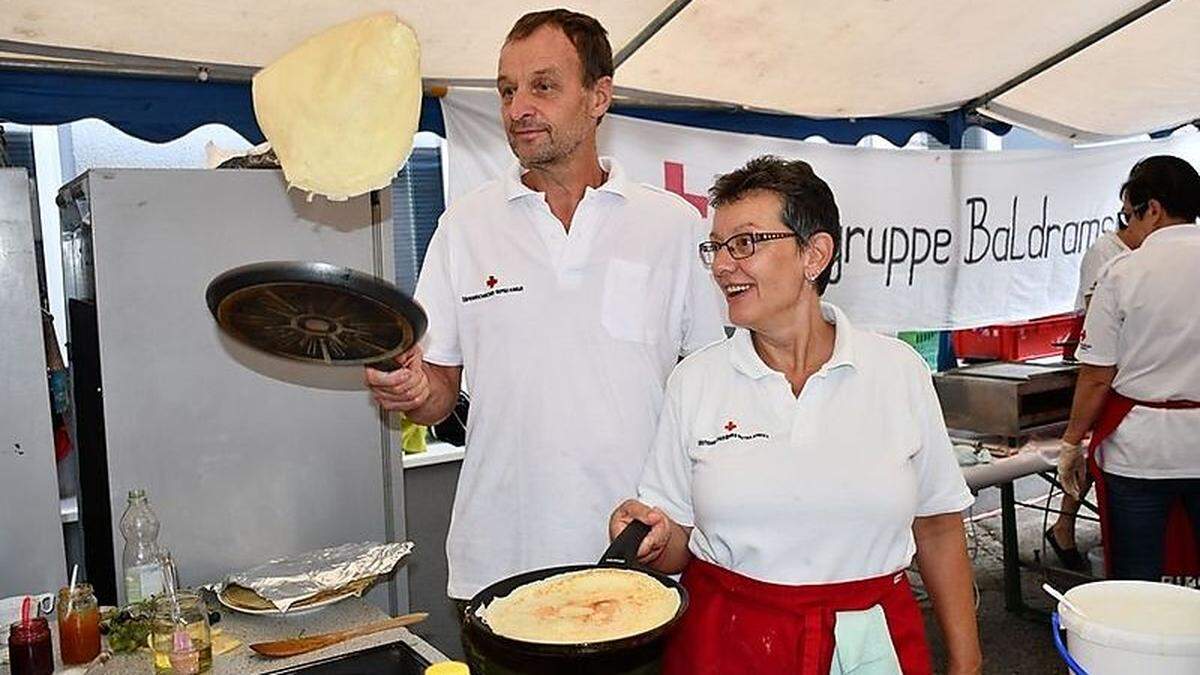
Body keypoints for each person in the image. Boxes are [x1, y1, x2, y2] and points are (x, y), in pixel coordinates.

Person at [366, 8, 723, 604]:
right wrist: (411, 388)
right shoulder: (465, 226)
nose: (518, 108)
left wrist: (687, 524)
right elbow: (438, 393)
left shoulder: (673, 226)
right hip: (499, 561)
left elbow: (712, 398)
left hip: (637, 559)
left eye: (543, 86)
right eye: (507, 91)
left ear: (598, 96)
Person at [610, 156, 982, 675]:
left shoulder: (896, 371)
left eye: (744, 243)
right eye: (716, 247)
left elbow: (938, 526)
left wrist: (967, 661)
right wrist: (651, 537)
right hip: (728, 643)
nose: (721, 266)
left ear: (815, 254)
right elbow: (678, 545)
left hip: (868, 642)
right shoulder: (695, 381)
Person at [1058, 155, 1200, 582]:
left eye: (1128, 216)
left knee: (1138, 580)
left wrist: (1070, 442)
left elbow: (1098, 375)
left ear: (1152, 209)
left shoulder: (1123, 272)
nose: (1128, 228)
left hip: (1140, 452)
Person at [1046, 211, 1146, 570]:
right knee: (1089, 447)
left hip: (1127, 373)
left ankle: (1066, 525)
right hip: (1102, 362)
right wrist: (1070, 440)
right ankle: (1064, 524)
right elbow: (1097, 320)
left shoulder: (1151, 256)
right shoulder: (1106, 254)